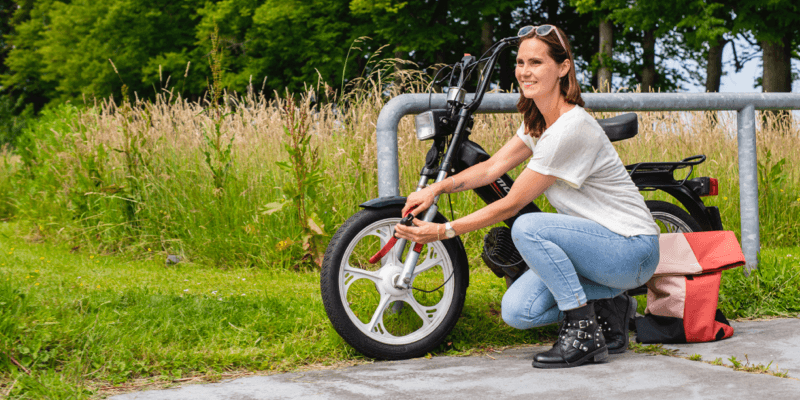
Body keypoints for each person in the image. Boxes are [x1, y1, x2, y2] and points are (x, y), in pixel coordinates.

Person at [393, 25, 661, 369]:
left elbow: (511, 203)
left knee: (528, 226)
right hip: (596, 249)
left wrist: (443, 232)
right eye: (520, 62)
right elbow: (491, 169)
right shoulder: (538, 121)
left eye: (536, 62)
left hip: (631, 250)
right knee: (518, 310)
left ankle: (583, 333)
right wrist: (435, 188)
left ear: (563, 68)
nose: (524, 72)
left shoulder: (570, 128)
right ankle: (613, 305)